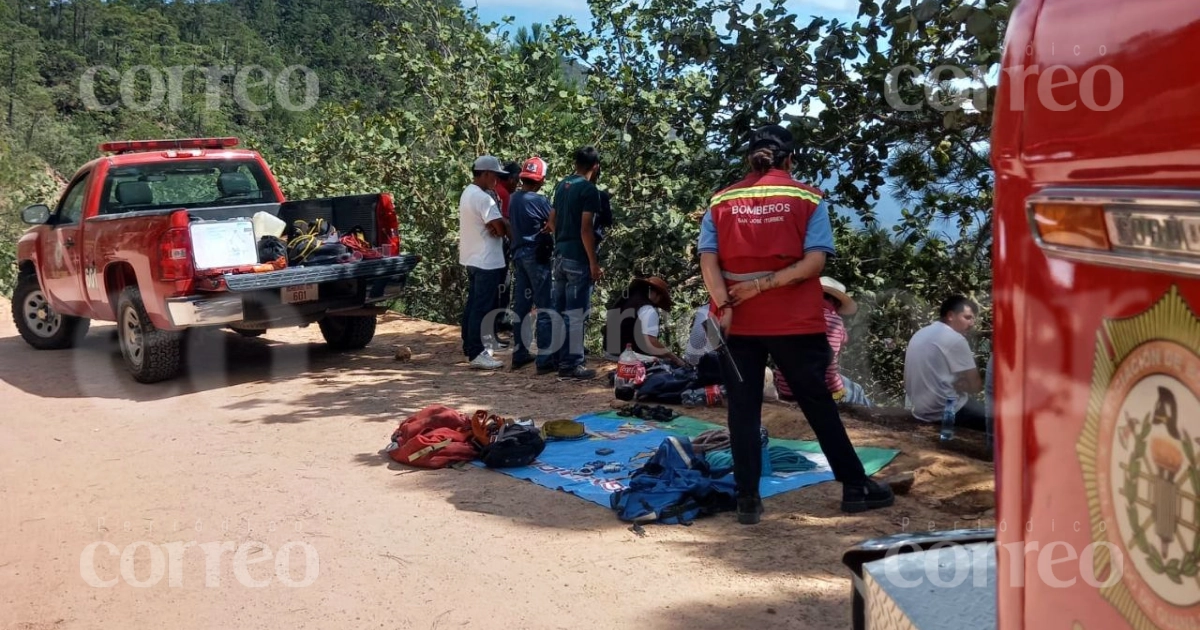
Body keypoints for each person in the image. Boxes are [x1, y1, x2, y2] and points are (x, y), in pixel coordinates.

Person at [698, 123, 894, 524]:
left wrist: (728, 303)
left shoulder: (721, 200)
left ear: (750, 157)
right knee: (817, 403)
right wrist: (765, 285)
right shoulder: (807, 196)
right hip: (794, 320)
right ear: (790, 158)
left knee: (743, 408)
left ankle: (748, 499)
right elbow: (813, 264)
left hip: (737, 319)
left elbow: (708, 260)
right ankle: (855, 487)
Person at [547, 146, 603, 379]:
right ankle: (572, 365)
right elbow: (586, 228)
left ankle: (559, 359)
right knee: (576, 313)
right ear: (596, 167)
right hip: (577, 258)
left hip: (559, 255)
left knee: (559, 311)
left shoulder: (562, 185)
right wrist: (593, 262)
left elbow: (551, 220)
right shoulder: (589, 190)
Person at [774, 277, 872, 407]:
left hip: (786, 391)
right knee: (856, 390)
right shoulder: (835, 322)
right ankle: (877, 420)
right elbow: (831, 365)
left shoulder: (790, 317)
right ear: (834, 303)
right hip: (827, 394)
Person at [903, 295, 986, 430]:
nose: (971, 323)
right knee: (997, 421)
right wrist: (964, 385)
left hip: (920, 411)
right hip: (946, 412)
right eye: (967, 317)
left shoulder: (920, 333)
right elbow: (976, 386)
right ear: (950, 316)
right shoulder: (956, 339)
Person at [458, 155, 511, 370]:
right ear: (487, 173)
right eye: (496, 175)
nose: (497, 180)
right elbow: (499, 228)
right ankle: (476, 352)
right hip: (487, 260)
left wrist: (497, 225)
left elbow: (494, 225)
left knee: (473, 305)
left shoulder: (468, 193)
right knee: (482, 306)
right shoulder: (484, 198)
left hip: (472, 257)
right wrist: (502, 226)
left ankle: (469, 345)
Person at [508, 156, 556, 374]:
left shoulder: (514, 199)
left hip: (519, 255)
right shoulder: (539, 201)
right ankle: (545, 358)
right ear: (541, 180)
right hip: (536, 257)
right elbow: (554, 221)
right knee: (546, 306)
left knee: (522, 307)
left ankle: (520, 353)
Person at [603, 276, 686, 366]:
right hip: (627, 357)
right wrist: (674, 358)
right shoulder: (648, 309)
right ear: (657, 295)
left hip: (609, 352)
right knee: (669, 363)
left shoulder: (624, 301)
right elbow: (651, 344)